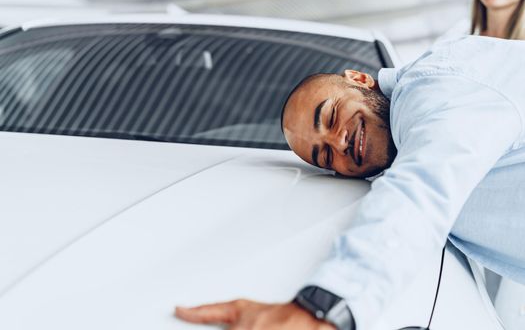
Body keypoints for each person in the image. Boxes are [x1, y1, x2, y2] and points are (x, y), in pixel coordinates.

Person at [175, 34, 525, 330]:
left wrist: (318, 311)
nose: (339, 142)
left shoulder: (437, 84)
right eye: (326, 157)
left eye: (329, 115)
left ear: (359, 79)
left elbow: (422, 188)